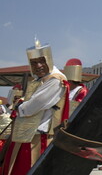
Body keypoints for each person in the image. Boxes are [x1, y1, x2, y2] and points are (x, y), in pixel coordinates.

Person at [1, 39, 68, 175]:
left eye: (41, 61)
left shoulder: (55, 79)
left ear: (48, 59)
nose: (38, 66)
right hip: (26, 135)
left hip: (36, 138)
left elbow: (33, 105)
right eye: (33, 63)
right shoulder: (41, 79)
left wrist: (20, 106)